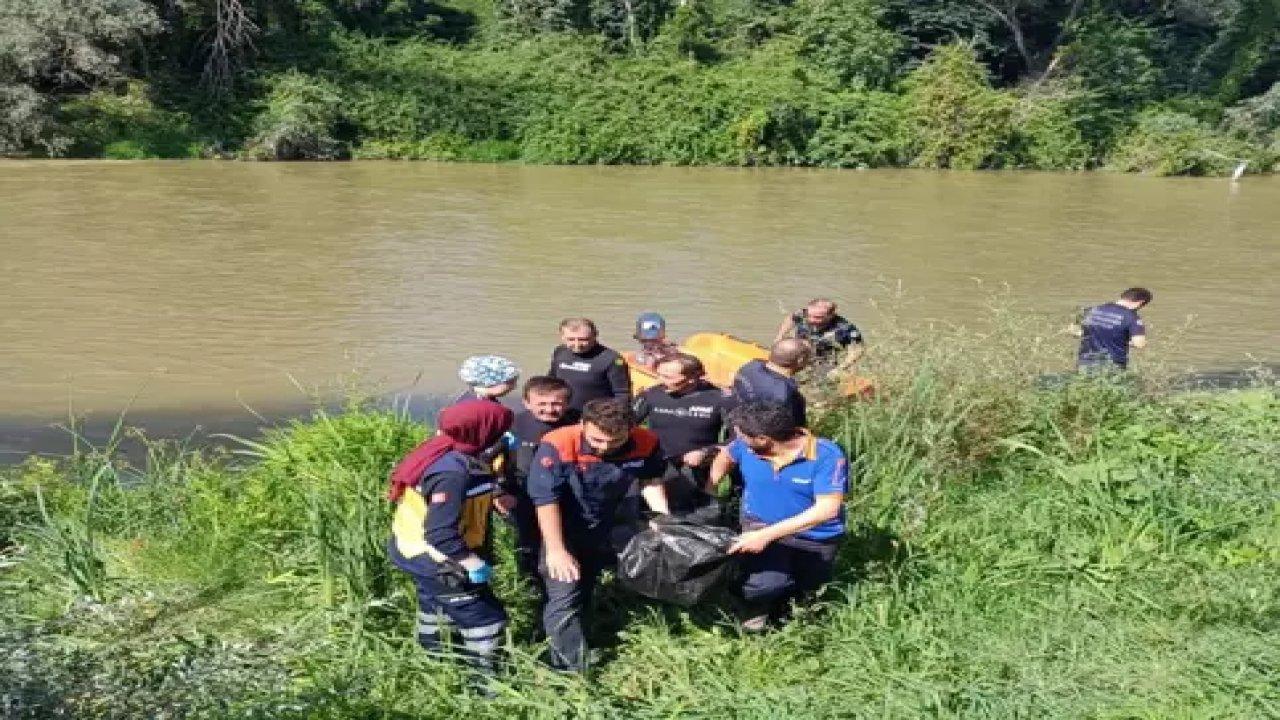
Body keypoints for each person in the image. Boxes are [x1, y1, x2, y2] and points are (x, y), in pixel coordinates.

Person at [526, 398, 670, 672]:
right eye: (596, 440)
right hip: (559, 525)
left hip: (606, 521)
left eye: (614, 442)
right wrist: (556, 549)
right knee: (564, 591)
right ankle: (569, 670)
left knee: (587, 584)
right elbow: (546, 500)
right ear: (582, 424)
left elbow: (650, 480)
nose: (604, 448)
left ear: (631, 428)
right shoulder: (558, 443)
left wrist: (662, 519)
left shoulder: (646, 441)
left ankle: (582, 634)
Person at [386, 400, 514, 685]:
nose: (503, 434)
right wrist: (472, 562)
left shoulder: (446, 449)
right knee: (486, 620)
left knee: (436, 606)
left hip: (410, 547)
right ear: (481, 431)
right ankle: (487, 685)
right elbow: (440, 532)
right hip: (436, 557)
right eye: (500, 429)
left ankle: (434, 659)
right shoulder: (452, 472)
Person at [708, 402, 848, 632]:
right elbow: (726, 455)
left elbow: (827, 509)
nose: (738, 439)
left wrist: (766, 535)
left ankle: (795, 625)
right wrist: (710, 487)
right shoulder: (745, 445)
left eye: (742, 435)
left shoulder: (826, 456)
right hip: (760, 522)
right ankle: (750, 617)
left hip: (815, 536)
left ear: (764, 439)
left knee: (807, 589)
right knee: (762, 585)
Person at [495, 375, 579, 581]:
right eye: (541, 404)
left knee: (570, 536)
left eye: (557, 404)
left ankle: (568, 572)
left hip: (568, 493)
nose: (549, 409)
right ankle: (529, 580)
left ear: (567, 403)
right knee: (528, 540)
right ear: (526, 402)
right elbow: (487, 460)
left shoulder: (578, 423)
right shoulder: (512, 424)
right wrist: (499, 492)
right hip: (522, 494)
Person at [632, 353, 735, 510]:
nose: (660, 381)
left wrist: (706, 451)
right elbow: (625, 425)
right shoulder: (651, 394)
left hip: (695, 466)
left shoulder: (721, 399)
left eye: (667, 377)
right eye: (659, 374)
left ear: (692, 378)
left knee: (686, 512)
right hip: (655, 464)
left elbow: (739, 438)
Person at [548, 318, 631, 412]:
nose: (577, 344)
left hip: (596, 416)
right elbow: (551, 381)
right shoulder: (560, 352)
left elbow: (622, 394)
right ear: (562, 337)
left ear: (595, 335)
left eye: (583, 339)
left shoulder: (612, 358)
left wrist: (610, 418)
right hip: (562, 412)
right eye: (571, 339)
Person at [732, 338, 812, 427]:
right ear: (800, 361)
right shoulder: (786, 393)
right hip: (761, 434)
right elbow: (793, 429)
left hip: (738, 421)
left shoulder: (751, 366)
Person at [774, 298, 864, 370]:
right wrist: (779, 337)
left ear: (831, 315)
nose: (811, 319)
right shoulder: (802, 313)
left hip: (825, 361)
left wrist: (840, 369)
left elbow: (857, 351)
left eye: (818, 317)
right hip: (800, 353)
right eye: (809, 316)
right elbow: (790, 319)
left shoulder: (846, 328)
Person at [1074, 288, 1152, 371]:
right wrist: (1123, 341)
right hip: (1112, 366)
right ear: (1140, 302)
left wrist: (1093, 335)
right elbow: (1139, 344)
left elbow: (1072, 331)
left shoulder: (1090, 310)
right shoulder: (1131, 317)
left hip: (1084, 362)